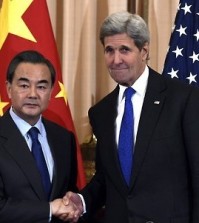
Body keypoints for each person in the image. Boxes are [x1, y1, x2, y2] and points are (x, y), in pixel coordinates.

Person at [64, 11, 199, 223]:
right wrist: (82, 201)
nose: (116, 60)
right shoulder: (101, 112)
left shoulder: (182, 99)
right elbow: (106, 178)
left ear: (144, 50)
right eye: (109, 50)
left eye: (124, 50)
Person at [0, 50, 80, 223]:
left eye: (42, 87)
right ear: (8, 89)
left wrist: (71, 204)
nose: (33, 94)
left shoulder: (64, 139)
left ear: (51, 91)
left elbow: (68, 191)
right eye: (24, 85)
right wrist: (50, 209)